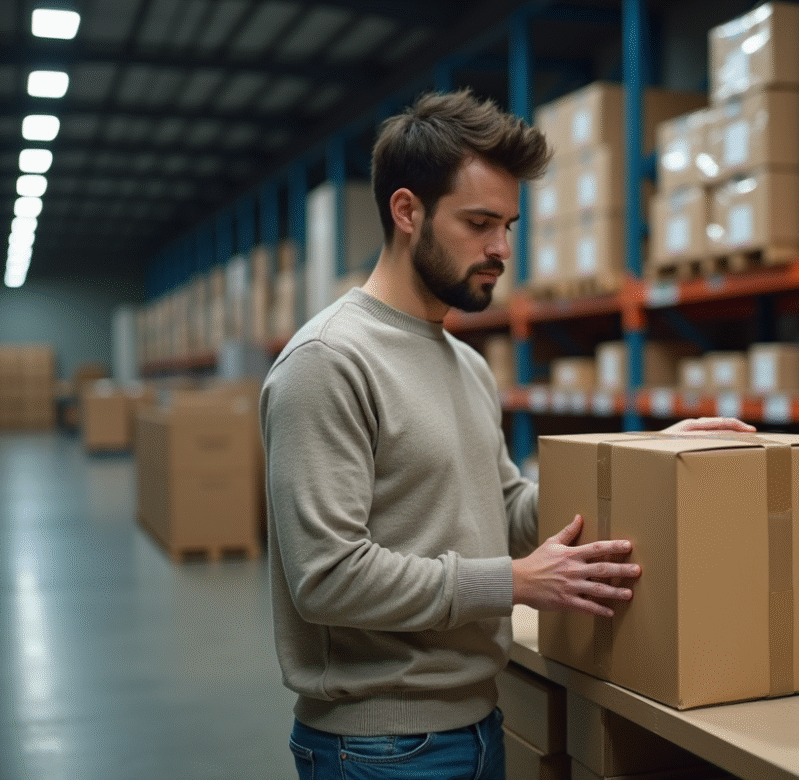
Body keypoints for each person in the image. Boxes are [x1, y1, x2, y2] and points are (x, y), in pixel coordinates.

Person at [259, 88, 756, 780]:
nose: (501, 249)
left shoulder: (464, 363)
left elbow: (509, 509)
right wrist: (516, 583)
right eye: (479, 223)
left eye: (509, 225)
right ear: (407, 211)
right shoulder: (328, 364)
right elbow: (328, 577)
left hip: (477, 726)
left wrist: (647, 455)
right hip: (378, 748)